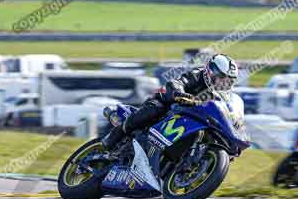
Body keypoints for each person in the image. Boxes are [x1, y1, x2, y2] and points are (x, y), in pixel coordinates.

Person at [102, 54, 239, 151]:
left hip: (192, 117)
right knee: (155, 109)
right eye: (222, 78)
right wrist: (179, 93)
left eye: (228, 81)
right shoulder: (198, 75)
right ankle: (113, 138)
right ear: (211, 72)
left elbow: (227, 110)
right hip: (170, 103)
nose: (224, 83)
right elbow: (179, 82)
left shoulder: (220, 95)